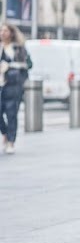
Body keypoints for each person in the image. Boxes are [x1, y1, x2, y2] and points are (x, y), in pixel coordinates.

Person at [0, 23, 33, 154]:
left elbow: (28, 64)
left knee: (11, 114)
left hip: (13, 86)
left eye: (5, 30)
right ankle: (6, 133)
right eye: (1, 30)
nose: (2, 33)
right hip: (0, 85)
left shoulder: (18, 48)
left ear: (12, 33)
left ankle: (11, 142)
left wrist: (10, 66)